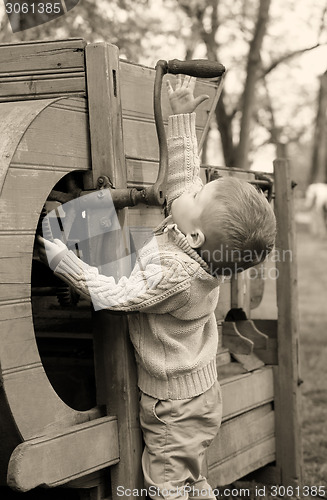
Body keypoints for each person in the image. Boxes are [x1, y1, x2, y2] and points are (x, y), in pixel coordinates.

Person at [38, 75, 276, 499]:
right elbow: (184, 180)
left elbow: (115, 296)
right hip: (198, 393)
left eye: (199, 197)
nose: (191, 191)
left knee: (166, 485)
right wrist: (182, 118)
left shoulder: (176, 274)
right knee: (189, 477)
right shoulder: (197, 242)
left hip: (174, 407)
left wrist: (63, 261)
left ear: (196, 233)